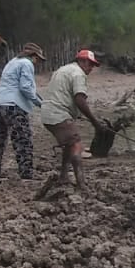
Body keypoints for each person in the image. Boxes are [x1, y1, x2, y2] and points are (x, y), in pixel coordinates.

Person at [40, 49, 107, 190]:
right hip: (58, 113)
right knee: (76, 144)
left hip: (47, 112)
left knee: (69, 144)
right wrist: (95, 123)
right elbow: (79, 99)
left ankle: (63, 177)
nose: (91, 68)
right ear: (81, 61)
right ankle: (81, 183)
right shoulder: (79, 74)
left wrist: (77, 114)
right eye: (90, 64)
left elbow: (64, 94)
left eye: (93, 65)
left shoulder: (63, 69)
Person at [0, 43, 46, 179]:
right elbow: (25, 88)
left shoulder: (12, 62)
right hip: (14, 106)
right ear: (33, 56)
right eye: (38, 59)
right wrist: (40, 104)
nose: (37, 62)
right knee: (22, 140)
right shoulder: (27, 64)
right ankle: (26, 173)